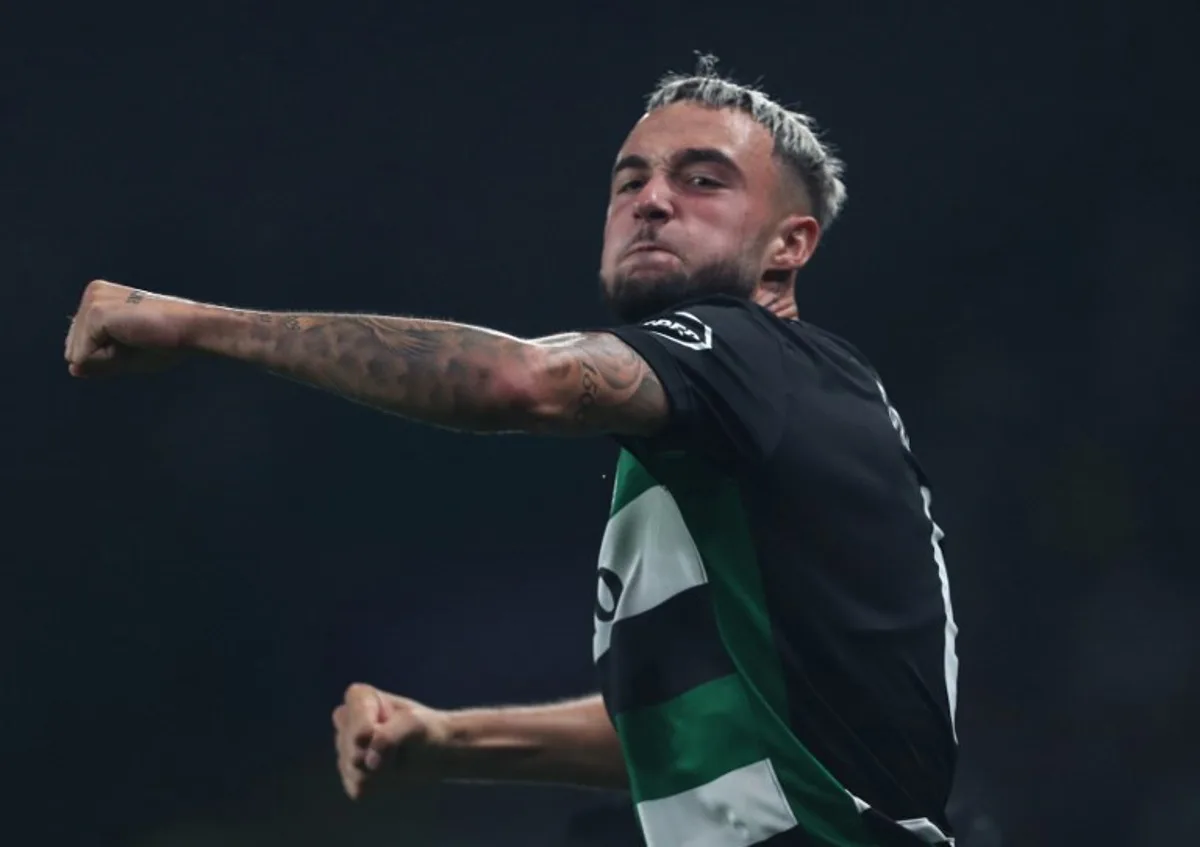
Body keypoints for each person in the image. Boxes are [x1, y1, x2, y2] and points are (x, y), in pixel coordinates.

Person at [65, 63, 960, 846]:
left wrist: (196, 325)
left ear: (787, 250)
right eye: (630, 179)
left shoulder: (753, 357)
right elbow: (691, 731)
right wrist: (450, 739)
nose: (650, 200)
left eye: (702, 179)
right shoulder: (734, 445)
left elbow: (520, 380)